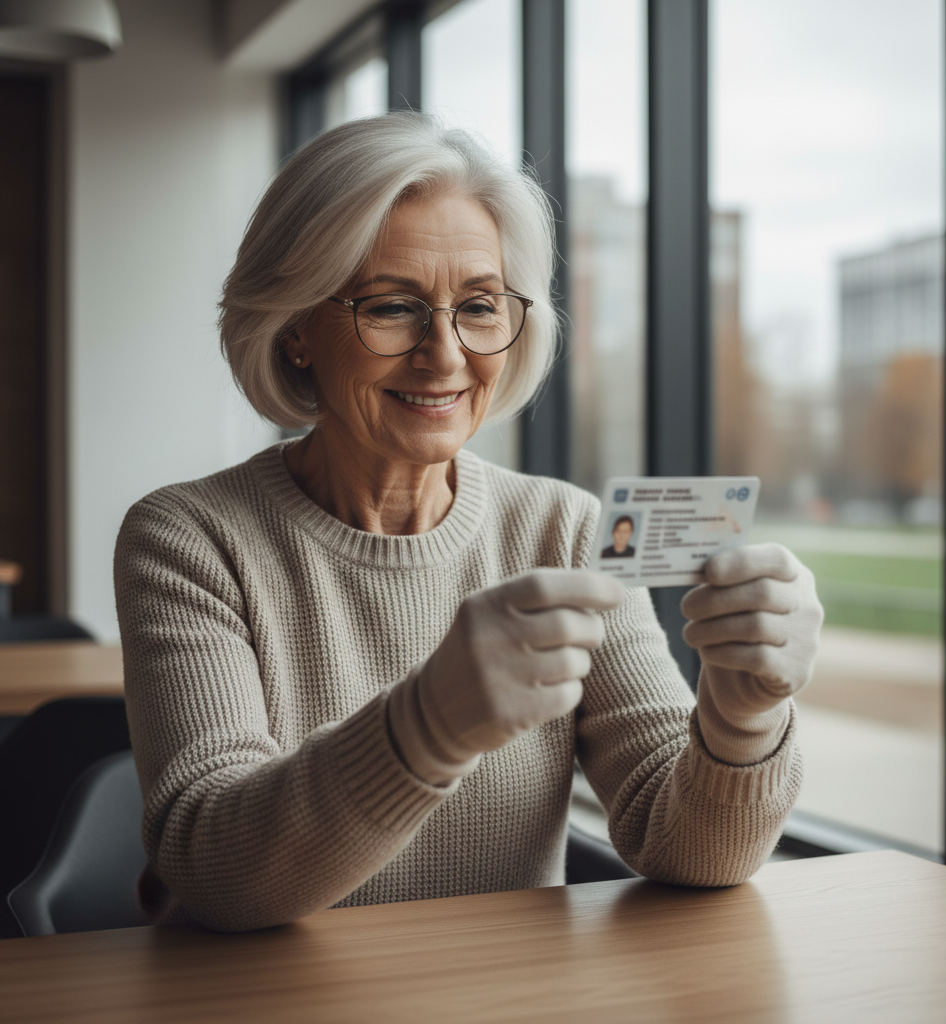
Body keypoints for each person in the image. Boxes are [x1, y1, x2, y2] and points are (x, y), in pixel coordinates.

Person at [114, 113, 824, 933]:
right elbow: (213, 869)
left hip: (505, 992)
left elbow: (691, 853)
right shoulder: (187, 539)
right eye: (392, 307)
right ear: (297, 327)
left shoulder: (563, 529)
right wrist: (428, 725)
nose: (446, 354)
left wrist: (741, 718)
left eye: (480, 306)